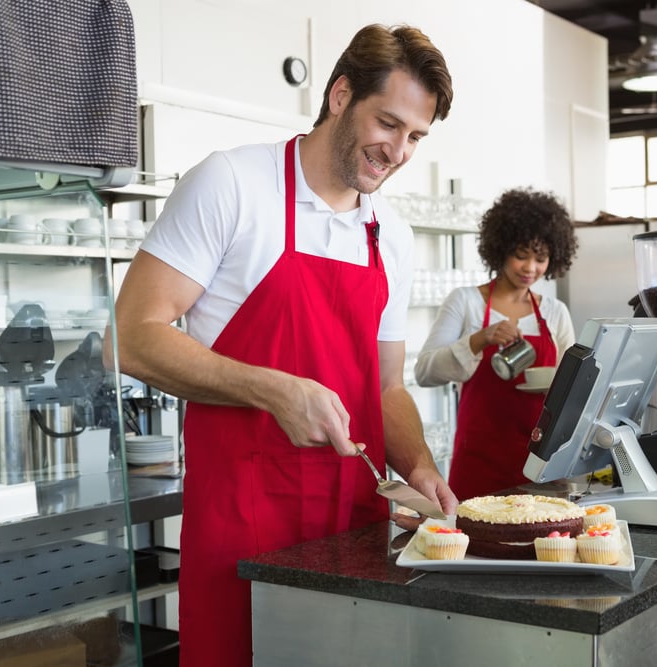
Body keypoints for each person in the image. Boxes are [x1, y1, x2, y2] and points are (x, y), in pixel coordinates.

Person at [107, 24, 457, 667]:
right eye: (388, 123)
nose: (399, 151)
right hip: (244, 530)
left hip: (354, 537)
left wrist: (422, 469)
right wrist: (272, 388)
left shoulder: (392, 236)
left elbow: (388, 387)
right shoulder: (233, 184)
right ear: (340, 93)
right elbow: (129, 338)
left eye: (416, 137)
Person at [414, 187, 578, 500]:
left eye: (541, 259)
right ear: (500, 249)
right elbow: (424, 372)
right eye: (521, 256)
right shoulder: (466, 303)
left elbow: (573, 387)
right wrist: (478, 340)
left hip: (540, 460)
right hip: (480, 457)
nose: (531, 268)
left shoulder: (555, 312)